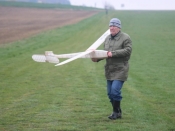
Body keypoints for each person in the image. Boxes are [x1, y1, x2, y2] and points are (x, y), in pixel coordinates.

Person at [91, 18, 132, 120]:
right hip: (110, 69)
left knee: (114, 91)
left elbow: (128, 50)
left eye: (114, 26)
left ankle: (115, 112)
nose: (112, 28)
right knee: (110, 93)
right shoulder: (107, 38)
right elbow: (105, 53)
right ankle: (118, 111)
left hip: (121, 69)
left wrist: (113, 53)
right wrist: (96, 59)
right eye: (110, 26)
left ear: (119, 27)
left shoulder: (125, 37)